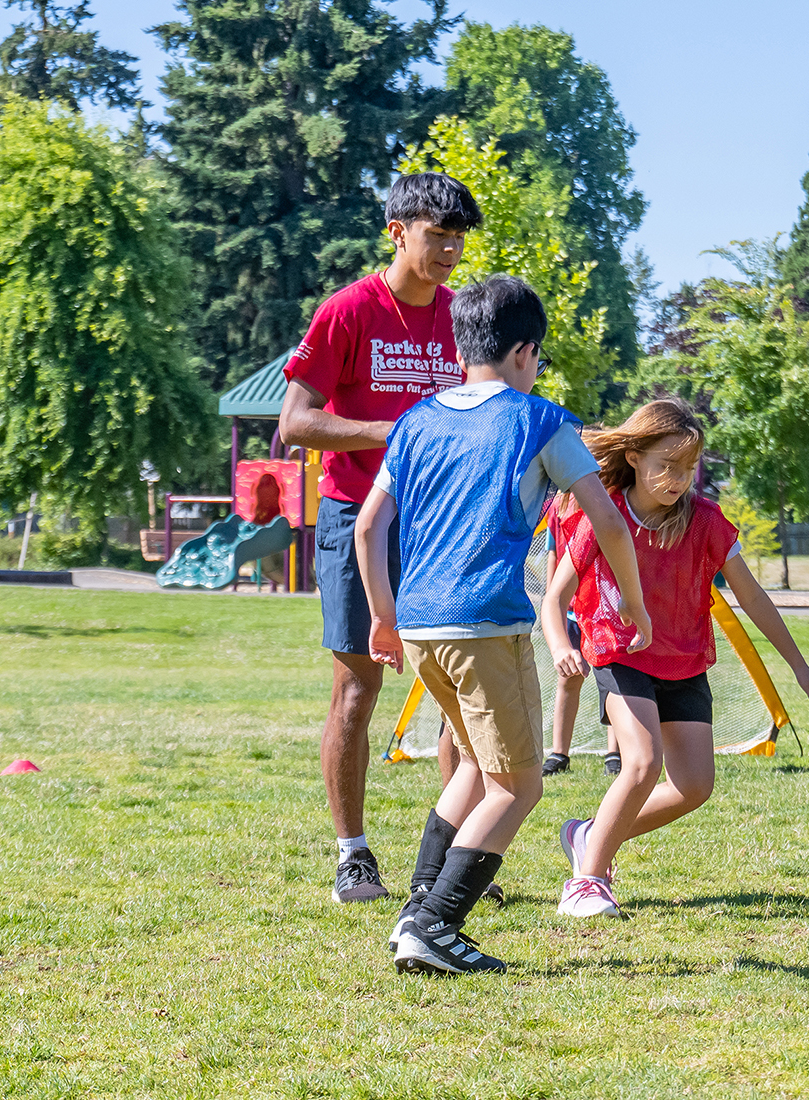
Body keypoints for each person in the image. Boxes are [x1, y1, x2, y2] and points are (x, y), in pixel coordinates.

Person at [356, 275, 651, 974]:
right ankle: (434, 925)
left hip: (422, 624)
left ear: (461, 347)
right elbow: (607, 519)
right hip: (484, 623)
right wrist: (634, 604)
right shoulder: (540, 419)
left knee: (477, 768)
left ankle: (420, 902)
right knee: (520, 785)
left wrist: (382, 618)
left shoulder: (417, 421)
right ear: (527, 352)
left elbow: (370, 526)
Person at [542, 398, 809, 919]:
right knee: (640, 762)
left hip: (683, 661)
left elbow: (752, 597)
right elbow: (554, 598)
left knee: (694, 786)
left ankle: (590, 834)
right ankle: (586, 881)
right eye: (667, 466)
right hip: (621, 652)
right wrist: (561, 647)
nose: (678, 479)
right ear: (633, 456)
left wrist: (799, 665)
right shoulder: (604, 515)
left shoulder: (704, 521)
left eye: (688, 469)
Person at [279, 172, 478, 904]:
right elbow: (294, 422)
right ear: (397, 232)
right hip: (354, 516)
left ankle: (457, 853)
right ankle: (353, 854)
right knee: (359, 689)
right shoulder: (348, 311)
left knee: (462, 686)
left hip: (445, 524)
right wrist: (391, 431)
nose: (451, 250)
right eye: (437, 235)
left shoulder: (464, 320)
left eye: (459, 237)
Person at [540, 492, 622, 778]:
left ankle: (615, 752)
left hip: (605, 612)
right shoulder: (556, 509)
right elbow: (553, 555)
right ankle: (559, 753)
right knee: (568, 679)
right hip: (573, 611)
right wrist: (553, 605)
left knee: (614, 682)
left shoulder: (607, 503)